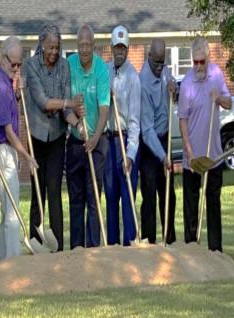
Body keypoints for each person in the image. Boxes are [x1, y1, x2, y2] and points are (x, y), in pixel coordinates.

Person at [24, 24, 83, 251]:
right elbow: (43, 101)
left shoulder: (65, 67)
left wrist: (77, 123)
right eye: (50, 47)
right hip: (36, 136)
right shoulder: (31, 66)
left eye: (57, 48)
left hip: (58, 135)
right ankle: (36, 244)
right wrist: (69, 103)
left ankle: (57, 247)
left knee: (55, 189)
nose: (54, 52)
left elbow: (66, 109)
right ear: (41, 44)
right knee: (38, 192)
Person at [178, 36, 231, 252]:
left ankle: (216, 251)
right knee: (191, 205)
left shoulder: (216, 74)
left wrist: (219, 98)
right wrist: (189, 153)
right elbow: (182, 120)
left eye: (202, 61)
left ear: (208, 58)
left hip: (213, 155)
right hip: (193, 157)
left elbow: (229, 103)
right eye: (195, 62)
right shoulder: (187, 83)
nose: (198, 66)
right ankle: (192, 251)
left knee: (213, 204)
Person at [0, 36, 38, 259]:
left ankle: (5, 260)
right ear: (3, 59)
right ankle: (11, 261)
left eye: (20, 64)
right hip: (3, 150)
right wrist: (27, 155)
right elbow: (9, 131)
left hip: (9, 151)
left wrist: (18, 96)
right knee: (11, 211)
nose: (17, 68)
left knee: (8, 210)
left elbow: (14, 113)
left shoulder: (8, 83)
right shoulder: (0, 86)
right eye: (14, 63)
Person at [66, 24, 110, 249]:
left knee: (94, 198)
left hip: (97, 141)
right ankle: (76, 249)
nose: (83, 49)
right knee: (76, 199)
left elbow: (104, 109)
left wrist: (95, 136)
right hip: (75, 140)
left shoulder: (102, 70)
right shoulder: (69, 65)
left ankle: (93, 249)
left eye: (87, 45)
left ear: (93, 46)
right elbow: (65, 106)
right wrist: (76, 120)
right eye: (80, 45)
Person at [104, 25, 141, 246]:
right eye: (117, 47)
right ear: (111, 48)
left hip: (125, 140)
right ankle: (111, 247)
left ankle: (129, 247)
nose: (120, 51)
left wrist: (130, 154)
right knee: (110, 196)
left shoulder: (133, 78)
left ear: (127, 49)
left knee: (127, 198)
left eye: (123, 48)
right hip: (108, 140)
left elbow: (135, 122)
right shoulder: (105, 72)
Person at [139, 38, 177, 245]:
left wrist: (173, 86)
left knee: (168, 194)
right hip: (150, 146)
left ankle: (169, 241)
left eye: (163, 63)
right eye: (157, 63)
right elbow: (147, 130)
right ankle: (150, 243)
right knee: (150, 196)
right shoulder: (143, 83)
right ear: (149, 57)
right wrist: (163, 157)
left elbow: (171, 82)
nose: (160, 67)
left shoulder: (164, 70)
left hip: (165, 138)